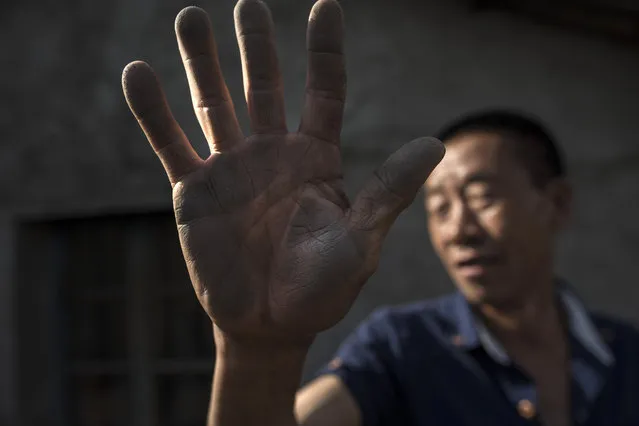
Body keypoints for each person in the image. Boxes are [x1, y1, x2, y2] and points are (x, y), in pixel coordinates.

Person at [121, 1, 639, 425]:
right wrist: (258, 352)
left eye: (481, 196)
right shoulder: (402, 349)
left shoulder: (628, 356)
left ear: (558, 203)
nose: (458, 229)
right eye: (437, 207)